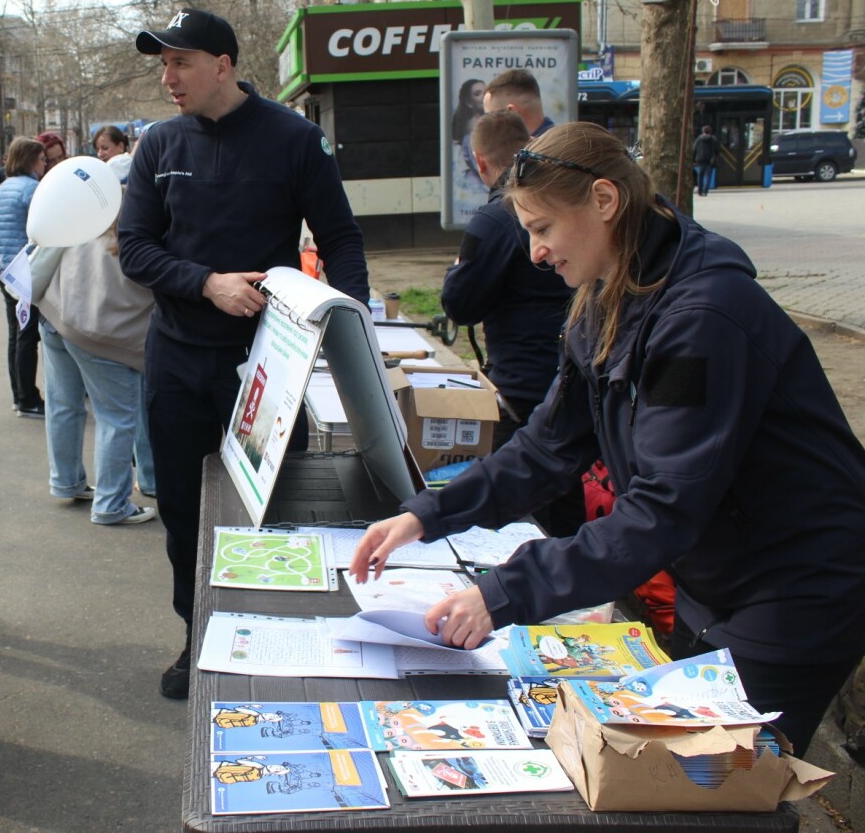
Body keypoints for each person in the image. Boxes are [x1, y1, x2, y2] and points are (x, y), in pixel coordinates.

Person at [350, 122, 865, 753]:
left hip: (799, 586)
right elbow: (548, 447)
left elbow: (663, 505)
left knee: (717, 777)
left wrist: (504, 591)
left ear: (603, 201)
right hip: (720, 579)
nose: (535, 253)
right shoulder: (604, 300)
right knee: (684, 770)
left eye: (542, 229)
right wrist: (426, 515)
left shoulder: (701, 319)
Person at [118, 7, 369, 699]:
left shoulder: (294, 138)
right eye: (163, 64)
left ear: (223, 64)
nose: (168, 77)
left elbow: (341, 239)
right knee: (182, 510)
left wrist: (355, 340)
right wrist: (206, 283)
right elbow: (134, 248)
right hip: (176, 360)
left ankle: (267, 630)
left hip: (268, 364)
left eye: (181, 62)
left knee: (268, 507)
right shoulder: (159, 146)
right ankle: (197, 634)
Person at [439, 110, 582, 536]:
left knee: (522, 518)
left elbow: (459, 303)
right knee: (562, 504)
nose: (541, 252)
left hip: (524, 392)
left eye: (542, 231)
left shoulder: (495, 218)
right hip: (567, 387)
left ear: (480, 162)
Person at [34, 146, 156, 525]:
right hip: (105, 335)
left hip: (56, 315)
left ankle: (66, 481)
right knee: (118, 418)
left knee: (63, 404)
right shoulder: (144, 222)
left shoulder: (84, 210)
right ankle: (111, 503)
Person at [93, 124, 156, 498]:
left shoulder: (99, 206)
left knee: (117, 417)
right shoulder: (144, 207)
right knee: (128, 415)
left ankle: (143, 479)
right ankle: (115, 498)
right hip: (131, 329)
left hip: (98, 324)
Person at [0, 135, 48, 418]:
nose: (44, 164)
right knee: (28, 336)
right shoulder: (32, 189)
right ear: (30, 160)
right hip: (25, 268)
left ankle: (19, 395)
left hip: (4, 268)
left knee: (16, 334)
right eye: (42, 159)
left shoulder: (1, 189)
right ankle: (28, 397)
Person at [482, 69, 555, 137]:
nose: (488, 126)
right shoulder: (560, 143)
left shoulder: (535, 149)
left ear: (512, 112)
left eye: (491, 117)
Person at [450, 79, 486, 144]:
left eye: (486, 92)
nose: (484, 96)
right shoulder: (474, 125)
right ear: (468, 102)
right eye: (477, 94)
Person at [692, 125, 718, 197]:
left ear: (703, 131)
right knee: (707, 176)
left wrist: (693, 159)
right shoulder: (713, 139)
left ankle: (699, 190)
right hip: (709, 161)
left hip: (699, 160)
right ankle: (705, 191)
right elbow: (717, 150)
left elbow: (694, 149)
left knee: (700, 176)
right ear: (710, 132)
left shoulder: (699, 139)